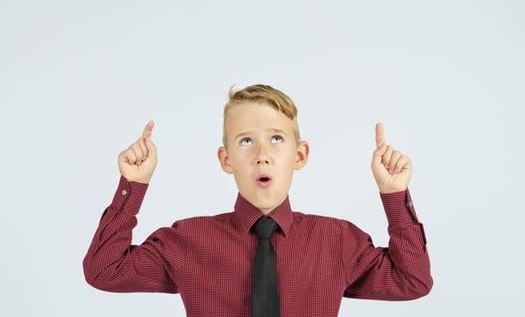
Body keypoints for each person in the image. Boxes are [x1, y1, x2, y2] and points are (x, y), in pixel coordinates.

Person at [83, 84, 432, 316]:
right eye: (246, 141)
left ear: (300, 154)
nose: (262, 155)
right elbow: (104, 270)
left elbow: (411, 280)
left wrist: (394, 195)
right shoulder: (189, 240)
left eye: (277, 138)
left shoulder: (336, 241)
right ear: (226, 159)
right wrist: (132, 186)